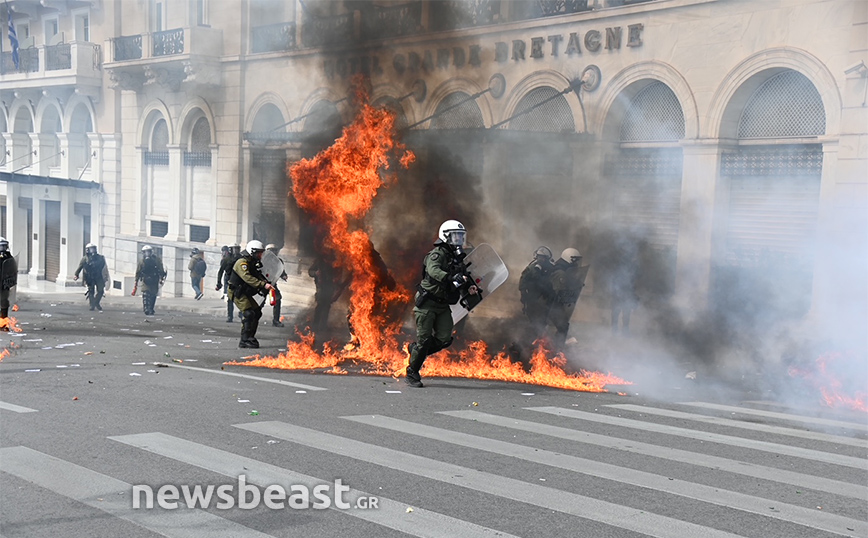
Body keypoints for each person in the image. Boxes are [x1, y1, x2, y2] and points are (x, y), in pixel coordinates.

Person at [406, 220, 478, 388]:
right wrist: (450, 277)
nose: (459, 239)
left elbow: (463, 276)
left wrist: (470, 286)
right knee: (424, 341)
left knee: (444, 339)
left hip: (443, 305)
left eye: (461, 236)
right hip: (427, 305)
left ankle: (416, 350)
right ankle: (412, 372)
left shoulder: (457, 258)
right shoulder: (437, 254)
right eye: (456, 236)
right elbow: (434, 270)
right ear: (446, 236)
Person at [228, 240, 274, 349]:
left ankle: (250, 337)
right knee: (248, 314)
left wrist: (267, 281)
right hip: (237, 292)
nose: (260, 255)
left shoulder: (252, 262)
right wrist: (263, 285)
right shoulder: (242, 263)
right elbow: (247, 277)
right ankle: (244, 340)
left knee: (257, 312)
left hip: (245, 291)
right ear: (252, 251)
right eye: (259, 253)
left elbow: (257, 274)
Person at [547, 248, 588, 347]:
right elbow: (559, 291)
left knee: (563, 326)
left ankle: (556, 346)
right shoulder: (560, 273)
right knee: (563, 326)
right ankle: (557, 348)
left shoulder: (565, 270)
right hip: (552, 305)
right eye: (575, 260)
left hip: (556, 304)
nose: (577, 263)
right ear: (569, 259)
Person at [518, 246, 556, 339]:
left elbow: (552, 282)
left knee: (544, 317)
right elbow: (523, 280)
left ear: (547, 259)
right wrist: (523, 293)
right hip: (532, 296)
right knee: (532, 316)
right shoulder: (531, 268)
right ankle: (532, 336)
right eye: (539, 256)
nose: (540, 259)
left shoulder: (551, 268)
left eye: (542, 257)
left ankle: (542, 334)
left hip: (545, 297)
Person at [73, 243, 109, 311]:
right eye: (91, 249)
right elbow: (80, 267)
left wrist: (106, 276)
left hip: (98, 276)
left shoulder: (100, 258)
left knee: (101, 290)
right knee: (91, 291)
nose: (93, 251)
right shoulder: (85, 259)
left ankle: (96, 302)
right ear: (87, 250)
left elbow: (104, 267)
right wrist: (76, 275)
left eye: (94, 249)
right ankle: (92, 305)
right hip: (90, 277)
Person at [133, 245, 166, 316]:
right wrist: (162, 277)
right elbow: (161, 270)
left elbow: (138, 271)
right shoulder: (157, 260)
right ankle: (150, 309)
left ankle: (146, 308)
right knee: (152, 295)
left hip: (146, 280)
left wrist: (136, 280)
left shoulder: (142, 261)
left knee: (146, 294)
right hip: (154, 279)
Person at [216, 244, 242, 323]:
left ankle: (241, 313)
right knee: (230, 299)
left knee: (241, 298)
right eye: (235, 249)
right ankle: (230, 316)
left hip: (239, 280)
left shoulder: (241, 258)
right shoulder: (226, 260)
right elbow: (220, 272)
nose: (236, 251)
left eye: (238, 249)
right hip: (230, 280)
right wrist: (219, 283)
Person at [265, 243, 287, 327]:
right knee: (258, 302)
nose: (274, 253)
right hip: (262, 284)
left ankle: (276, 320)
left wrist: (284, 275)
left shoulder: (279, 261)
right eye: (272, 251)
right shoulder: (263, 260)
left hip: (272, 285)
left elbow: (281, 271)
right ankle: (250, 317)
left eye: (275, 251)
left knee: (277, 299)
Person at [0, 237, 17, 331]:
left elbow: (12, 268)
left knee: (4, 302)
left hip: (3, 283)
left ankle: (3, 323)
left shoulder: (8, 256)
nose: (3, 248)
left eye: (4, 245)